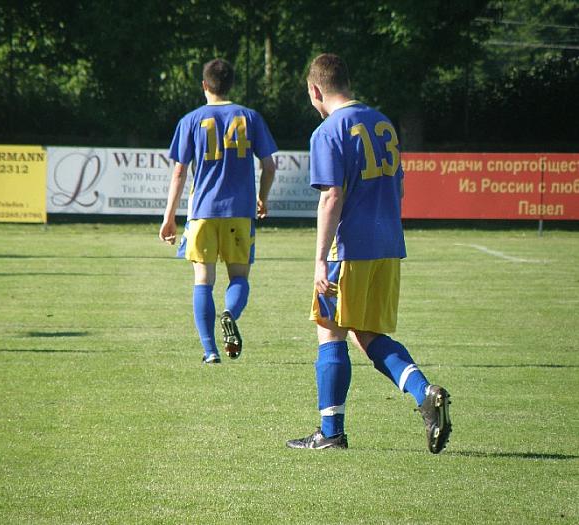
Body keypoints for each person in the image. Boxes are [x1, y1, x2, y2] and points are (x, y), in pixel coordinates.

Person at [286, 53, 452, 453]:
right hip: (388, 246)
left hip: (349, 248)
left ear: (315, 90)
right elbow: (400, 186)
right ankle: (424, 393)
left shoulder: (329, 130)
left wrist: (319, 260)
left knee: (330, 329)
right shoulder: (383, 123)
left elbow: (332, 197)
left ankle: (330, 433)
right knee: (368, 334)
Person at [159, 58, 278, 364]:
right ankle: (230, 313)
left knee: (203, 279)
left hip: (203, 211)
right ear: (231, 85)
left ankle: (210, 350)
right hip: (239, 211)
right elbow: (269, 165)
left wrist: (169, 216)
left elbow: (179, 172)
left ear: (204, 85)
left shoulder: (191, 120)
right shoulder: (249, 117)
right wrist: (262, 198)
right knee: (239, 277)